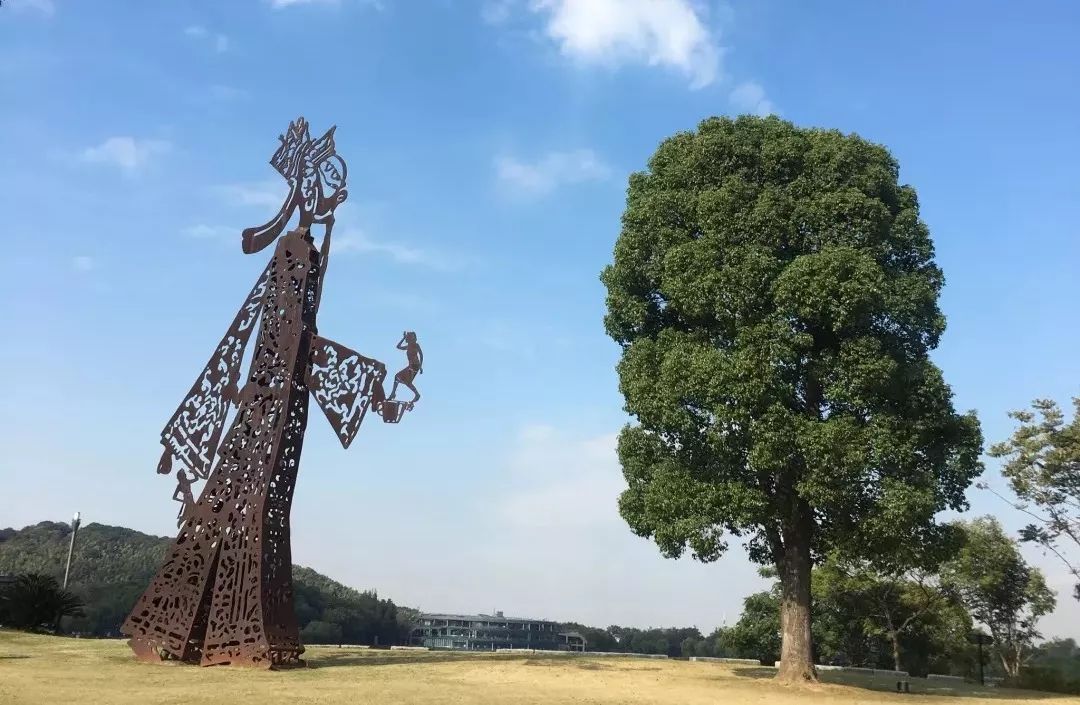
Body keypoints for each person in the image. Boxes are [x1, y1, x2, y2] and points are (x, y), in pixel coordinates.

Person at [389, 331, 422, 404]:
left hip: (415, 366)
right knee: (398, 378)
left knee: (407, 381)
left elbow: (421, 355)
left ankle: (417, 395)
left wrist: (420, 366)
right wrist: (403, 338)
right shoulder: (408, 347)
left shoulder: (416, 345)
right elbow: (398, 346)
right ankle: (393, 393)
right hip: (411, 366)